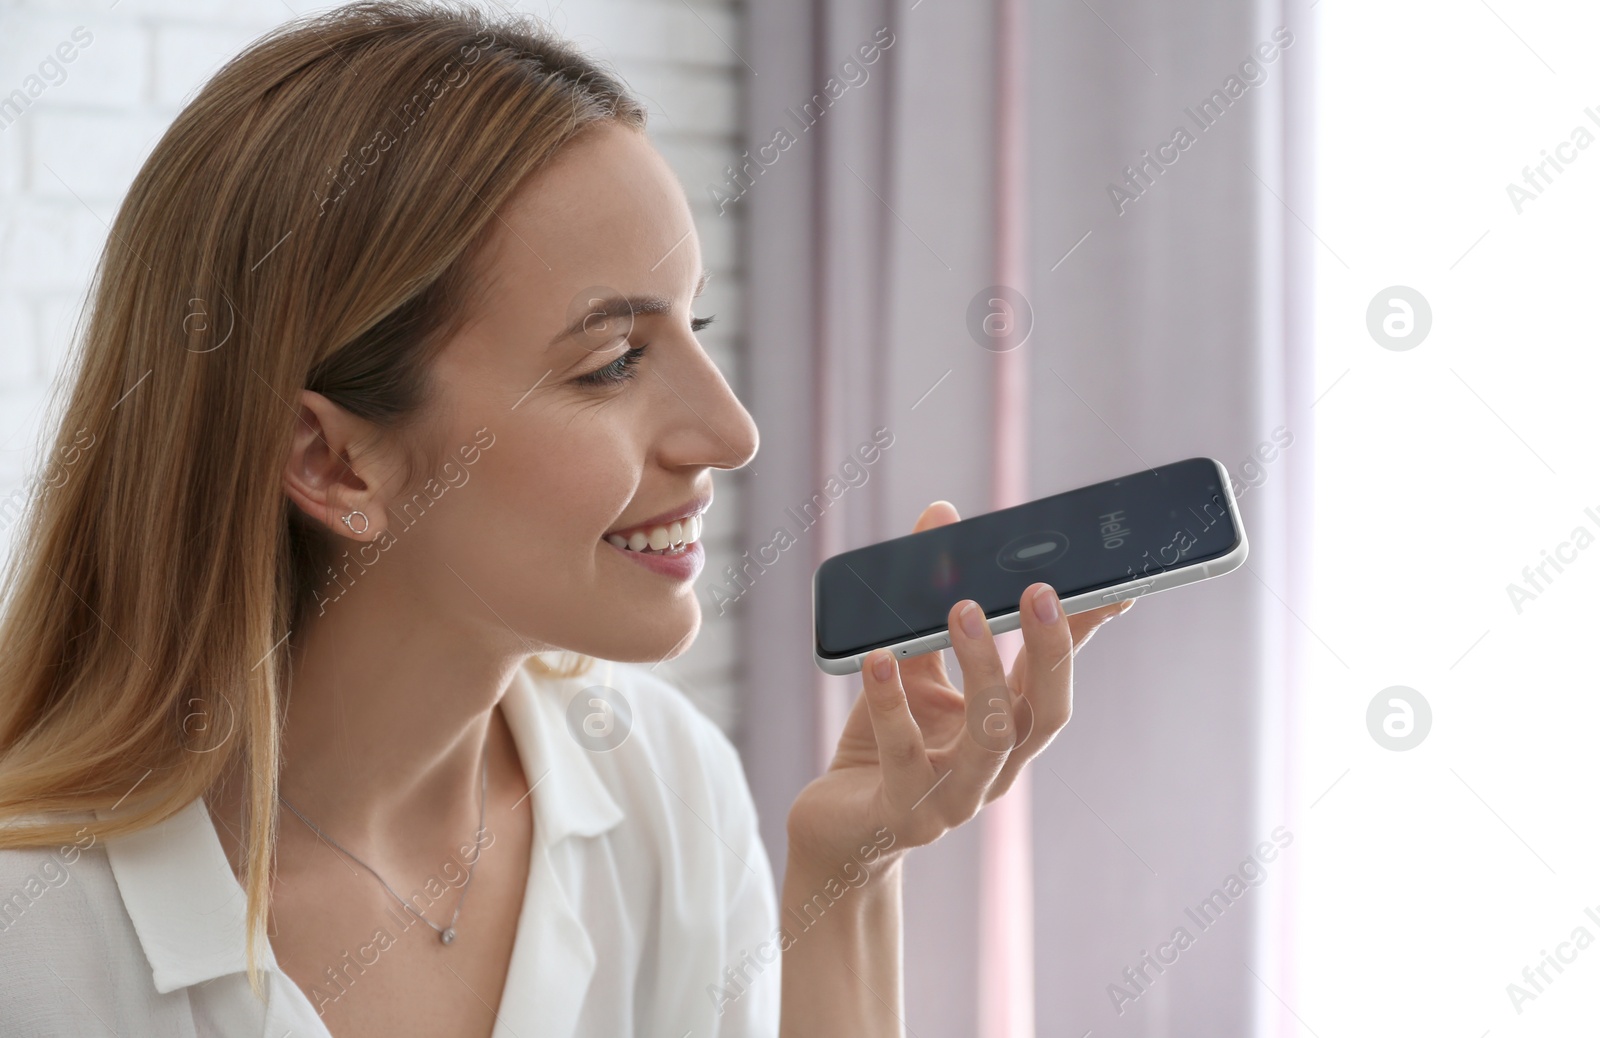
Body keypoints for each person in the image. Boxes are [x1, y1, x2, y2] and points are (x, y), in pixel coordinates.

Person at [0, 3, 1132, 1035]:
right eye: (614, 363)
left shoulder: (658, 785)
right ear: (333, 461)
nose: (731, 433)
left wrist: (848, 874)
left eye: (695, 325)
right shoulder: (35, 942)